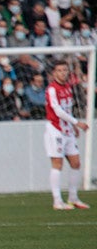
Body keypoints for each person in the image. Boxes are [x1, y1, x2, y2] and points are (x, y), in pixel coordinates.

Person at [45, 61, 89, 210]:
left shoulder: (68, 87)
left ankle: (73, 198)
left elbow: (67, 110)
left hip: (67, 130)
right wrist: (77, 123)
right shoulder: (52, 89)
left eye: (65, 70)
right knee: (57, 164)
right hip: (55, 130)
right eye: (59, 70)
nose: (62, 73)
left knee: (76, 163)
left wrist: (72, 127)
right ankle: (57, 201)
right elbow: (58, 111)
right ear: (54, 73)